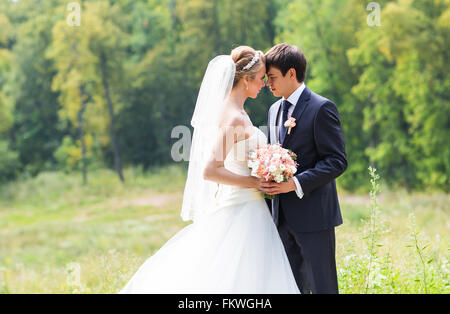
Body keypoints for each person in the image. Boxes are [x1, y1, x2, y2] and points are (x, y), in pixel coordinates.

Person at [119, 46, 299, 294]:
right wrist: (256, 183)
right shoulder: (234, 117)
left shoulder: (238, 112)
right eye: (260, 79)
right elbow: (210, 170)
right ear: (246, 80)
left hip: (251, 204)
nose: (264, 83)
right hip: (242, 206)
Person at [261, 43, 347, 294]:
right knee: (290, 288)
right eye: (266, 79)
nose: (268, 84)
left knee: (323, 287)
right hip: (281, 218)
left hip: (315, 217)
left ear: (291, 73)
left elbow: (336, 161)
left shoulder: (322, 108)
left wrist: (295, 183)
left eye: (272, 77)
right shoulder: (274, 109)